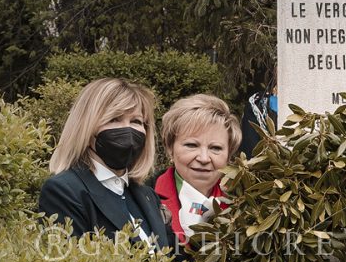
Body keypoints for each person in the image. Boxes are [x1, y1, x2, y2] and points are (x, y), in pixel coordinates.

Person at [38, 77, 172, 250]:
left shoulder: (147, 196)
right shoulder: (64, 192)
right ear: (86, 128)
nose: (128, 130)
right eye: (114, 119)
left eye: (136, 121)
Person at [153, 94, 242, 247]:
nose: (204, 158)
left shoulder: (244, 202)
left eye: (215, 148)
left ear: (229, 155)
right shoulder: (147, 199)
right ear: (170, 148)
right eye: (192, 145)